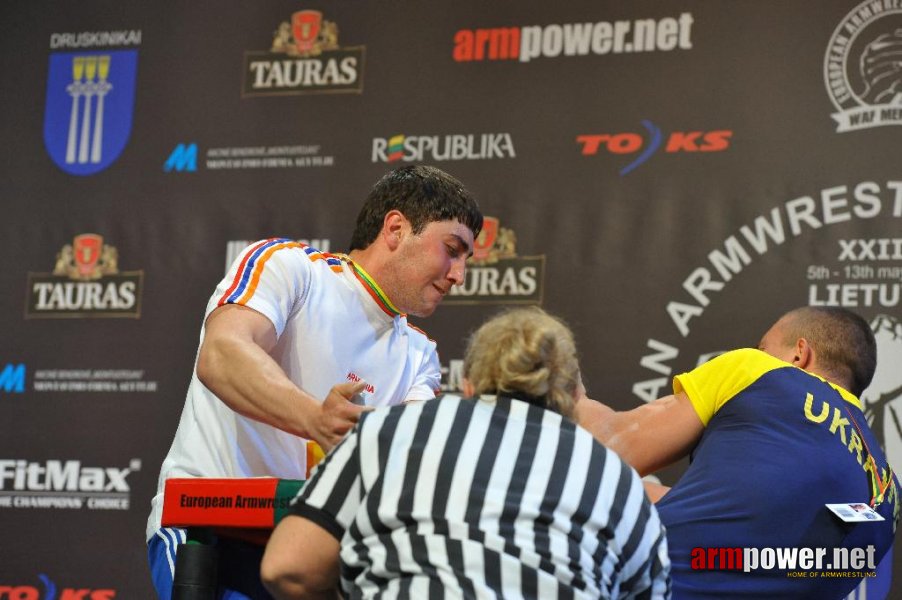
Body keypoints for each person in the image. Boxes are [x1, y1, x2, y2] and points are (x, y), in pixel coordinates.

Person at [146, 165, 483, 599]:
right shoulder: (289, 268)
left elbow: (406, 462)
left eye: (465, 260)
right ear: (396, 228)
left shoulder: (420, 355)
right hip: (209, 532)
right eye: (452, 249)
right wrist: (315, 418)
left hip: (318, 554)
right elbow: (221, 355)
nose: (458, 274)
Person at [261, 307, 671, 599]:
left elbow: (289, 568)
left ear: (470, 385)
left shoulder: (390, 431)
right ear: (572, 397)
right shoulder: (615, 479)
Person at [576, 306, 900, 598]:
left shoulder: (762, 372)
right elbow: (742, 530)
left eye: (764, 348)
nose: (758, 354)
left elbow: (611, 444)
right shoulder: (888, 491)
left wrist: (564, 384)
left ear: (799, 354)